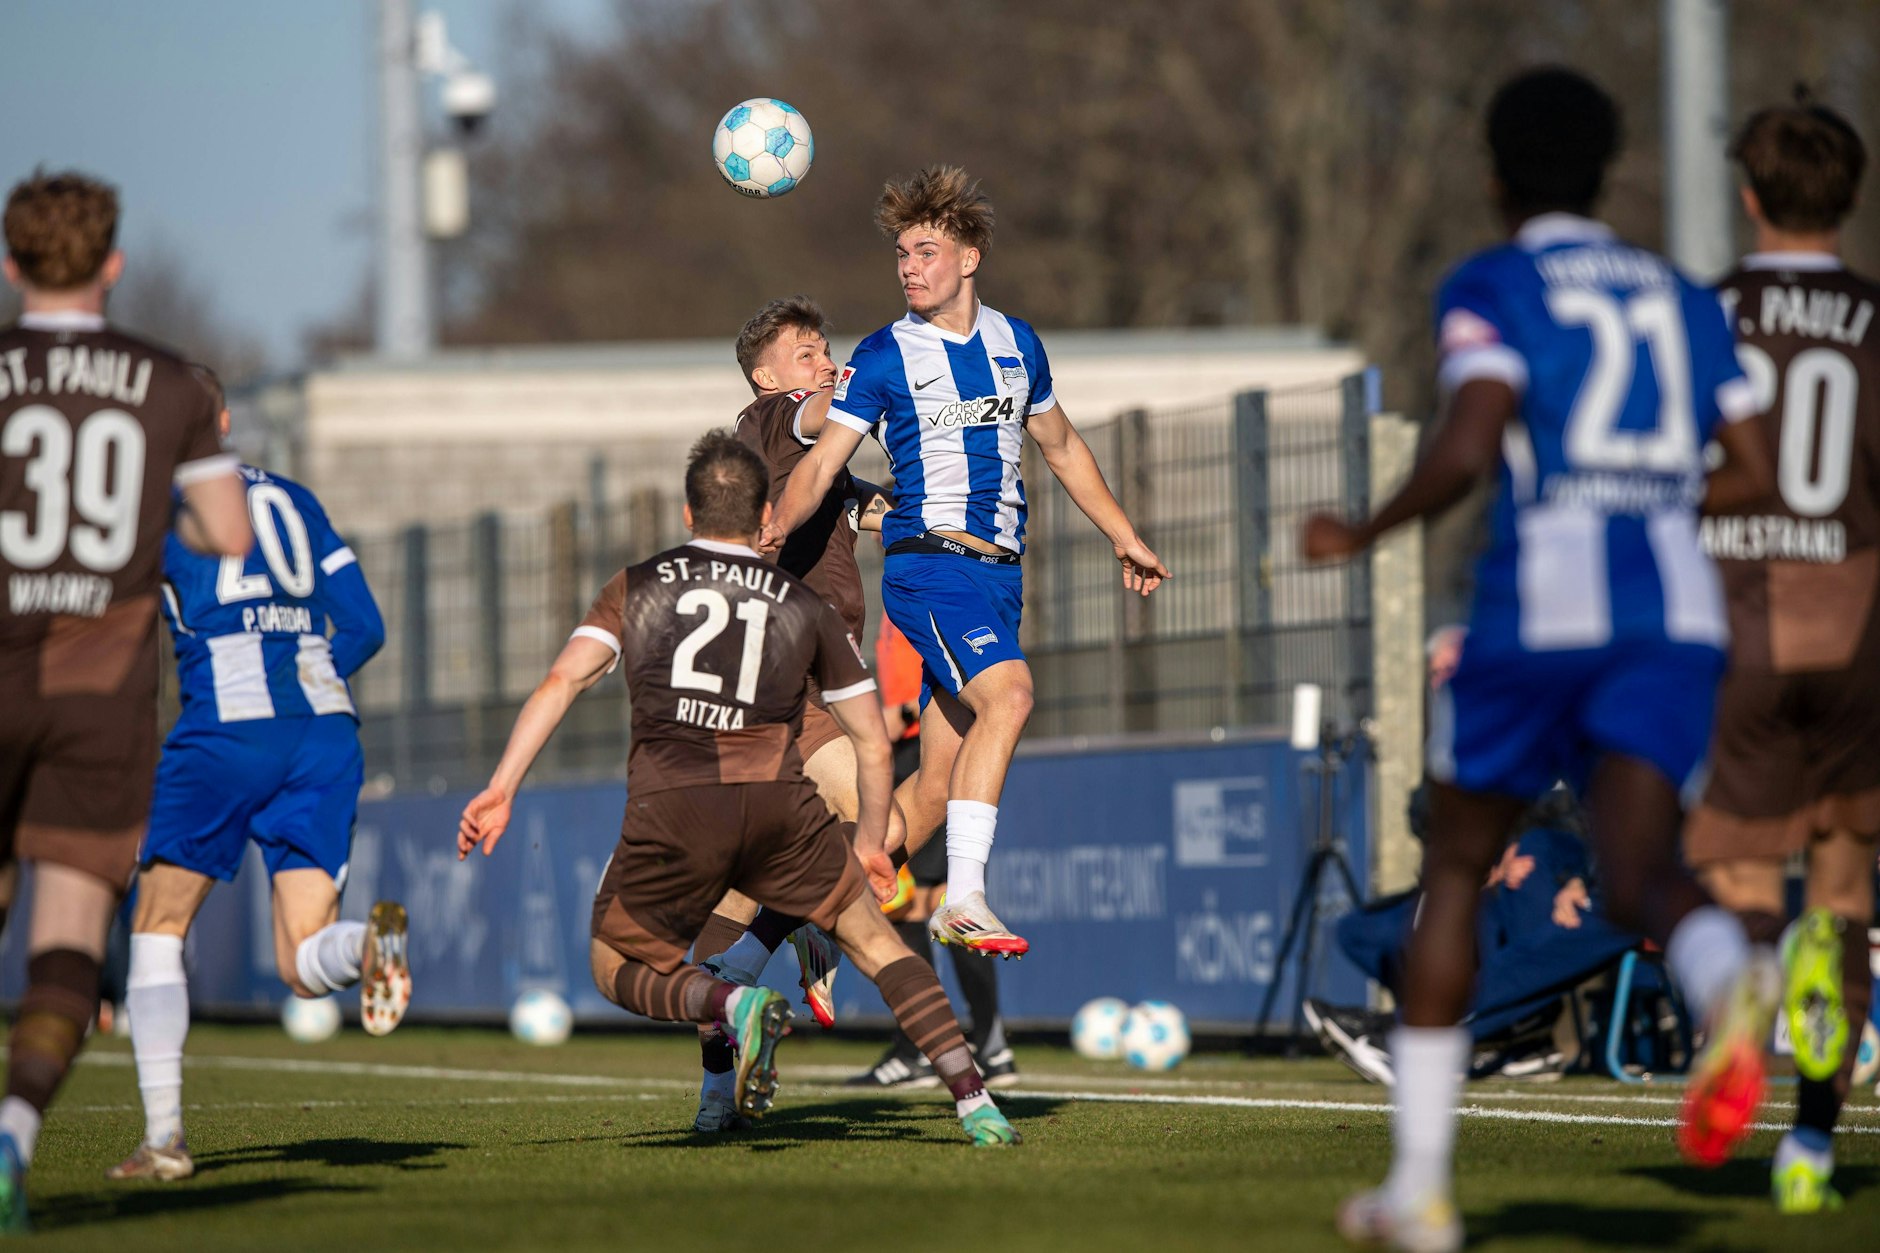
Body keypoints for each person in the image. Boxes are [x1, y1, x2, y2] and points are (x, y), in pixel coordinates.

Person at [1302, 69, 1781, 1252]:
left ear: (1495, 175)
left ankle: (1417, 1189)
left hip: (1538, 610)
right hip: (1670, 612)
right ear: (1607, 168)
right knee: (1638, 870)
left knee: (1458, 871)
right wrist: (1654, 492)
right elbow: (1755, 468)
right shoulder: (1678, 295)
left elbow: (1467, 444)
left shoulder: (1495, 281)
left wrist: (1360, 526)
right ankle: (1730, 984)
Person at [457, 431, 1020, 1147]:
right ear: (765, 522)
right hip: (779, 804)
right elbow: (874, 740)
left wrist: (502, 787)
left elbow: (561, 681)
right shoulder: (800, 603)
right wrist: (872, 837)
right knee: (881, 947)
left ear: (688, 516)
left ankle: (730, 1002)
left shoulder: (638, 585)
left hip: (677, 805)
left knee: (615, 963)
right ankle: (975, 1101)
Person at [762, 166, 1168, 956]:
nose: (910, 267)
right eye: (902, 255)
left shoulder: (1019, 345)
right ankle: (967, 899)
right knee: (1010, 696)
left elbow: (1060, 444)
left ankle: (782, 934)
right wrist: (777, 522)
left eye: (926, 250)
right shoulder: (883, 356)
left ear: (971, 255)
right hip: (929, 568)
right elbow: (820, 464)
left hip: (998, 577)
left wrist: (1123, 531)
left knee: (939, 791)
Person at [0, 170, 253, 1230]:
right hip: (101, 688)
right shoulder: (169, 381)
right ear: (112, 262)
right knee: (67, 926)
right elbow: (229, 533)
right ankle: (13, 1135)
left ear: (13, 263)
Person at [106, 365, 407, 1182]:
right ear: (229, 417)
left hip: (229, 725)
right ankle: (367, 944)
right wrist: (305, 670)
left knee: (157, 925)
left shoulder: (154, 508)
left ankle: (164, 1137)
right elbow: (368, 625)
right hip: (326, 726)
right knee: (303, 961)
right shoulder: (295, 499)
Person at [1687, 95, 1877, 1215]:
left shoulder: (1706, 314)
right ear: (1847, 195)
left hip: (1739, 618)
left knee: (1737, 872)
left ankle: (1752, 979)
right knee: (1844, 891)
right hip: (1856, 624)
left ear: (1747, 195)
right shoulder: (1874, 315)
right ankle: (1809, 1146)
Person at [682, 296, 895, 1132]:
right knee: (880, 813)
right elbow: (815, 412)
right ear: (766, 375)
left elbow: (864, 500)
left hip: (791, 688)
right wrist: (849, 380)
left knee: (726, 929)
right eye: (804, 351)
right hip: (795, 688)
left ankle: (713, 1091)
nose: (822, 360)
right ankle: (807, 929)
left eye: (826, 348)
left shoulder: (816, 466)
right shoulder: (775, 417)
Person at [850, 617, 1016, 1089]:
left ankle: (977, 1044)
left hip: (928, 750)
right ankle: (956, 1045)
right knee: (909, 903)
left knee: (930, 901)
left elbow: (958, 666)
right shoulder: (898, 582)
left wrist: (900, 714)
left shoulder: (931, 575)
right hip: (909, 749)